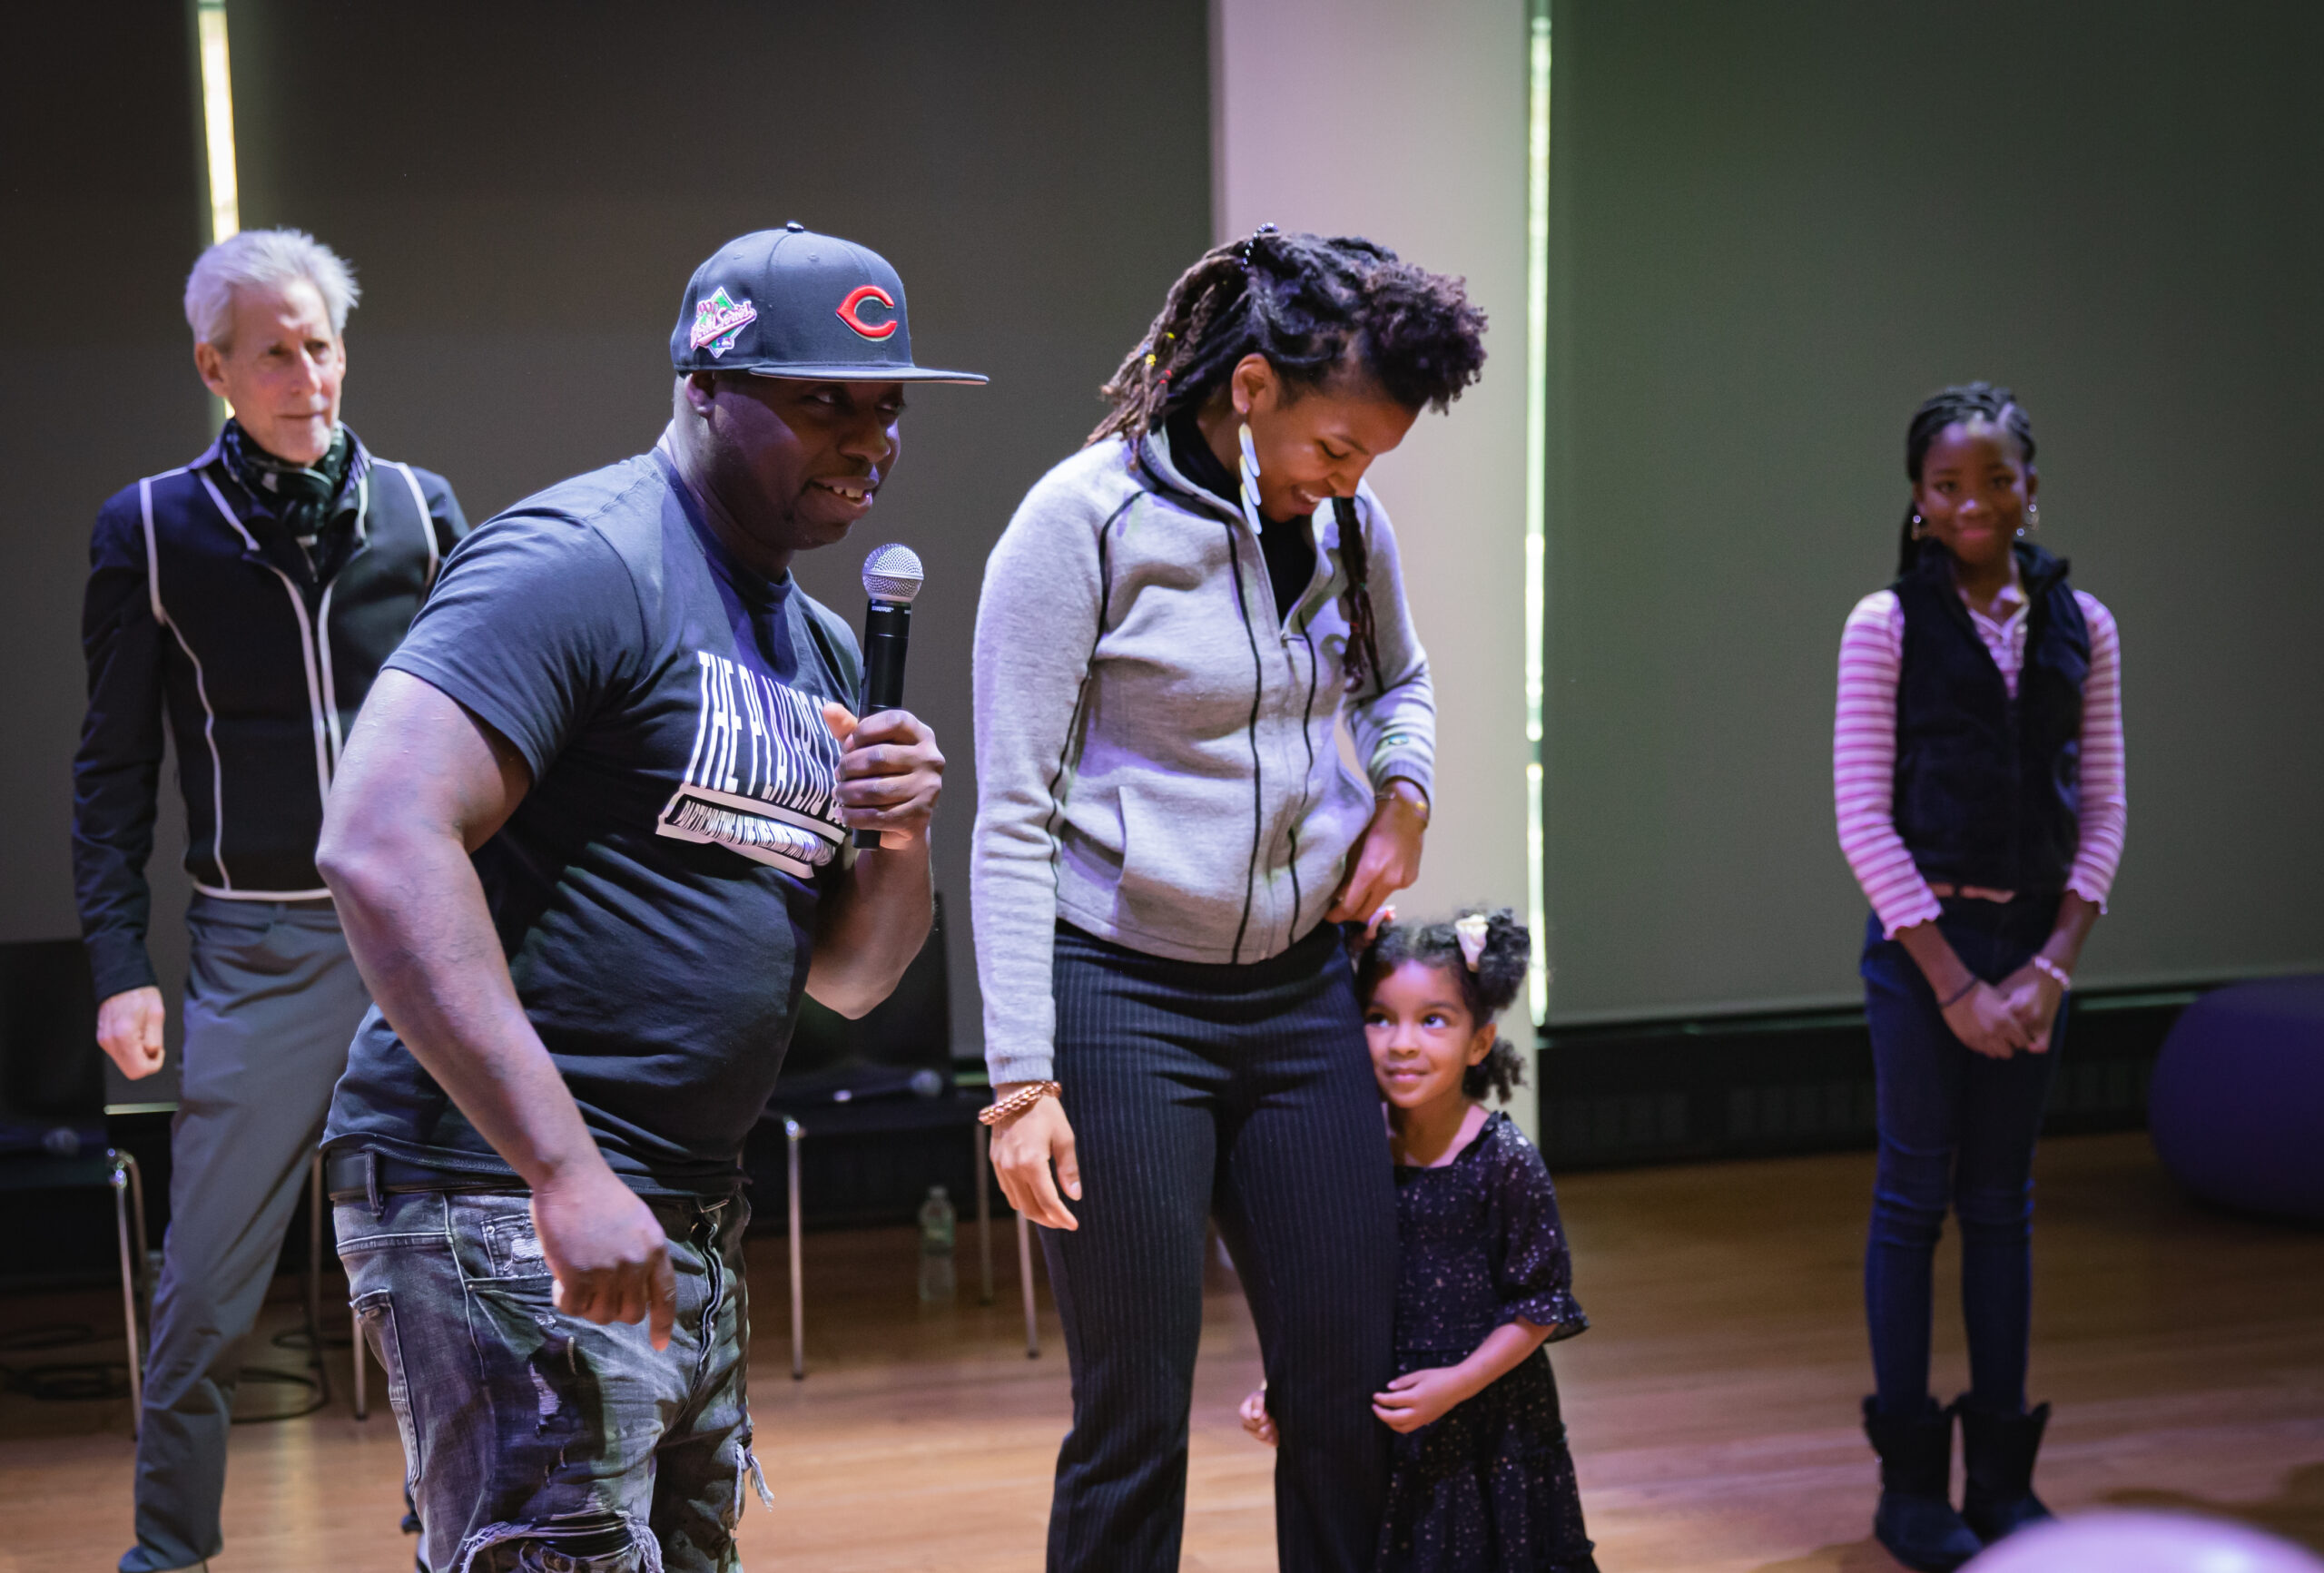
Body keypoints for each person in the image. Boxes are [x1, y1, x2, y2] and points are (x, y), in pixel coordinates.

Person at [314, 225, 977, 1573]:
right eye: (823, 401)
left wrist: (901, 836)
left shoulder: (817, 647)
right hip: (503, 1193)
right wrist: (563, 1170)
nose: (869, 439)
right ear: (703, 385)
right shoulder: (582, 559)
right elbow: (379, 842)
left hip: (684, 1210)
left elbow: (851, 977)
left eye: (886, 405)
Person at [973, 226, 1487, 1572]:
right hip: (1121, 996)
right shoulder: (1079, 522)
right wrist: (1021, 1083)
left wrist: (1405, 794)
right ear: (1251, 387)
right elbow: (1012, 814)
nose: (1351, 479)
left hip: (1299, 995)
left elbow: (1402, 682)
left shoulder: (1347, 524)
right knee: (1134, 1415)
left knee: (1349, 1391)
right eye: (1337, 445)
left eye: (1373, 458)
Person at [74, 227, 467, 1573]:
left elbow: (496, 728)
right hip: (259, 951)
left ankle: (467, 1529)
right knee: (202, 1289)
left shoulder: (421, 510)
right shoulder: (151, 529)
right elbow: (112, 769)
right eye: (276, 354)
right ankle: (167, 1553)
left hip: (420, 938)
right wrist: (121, 964)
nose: (308, 376)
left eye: (322, 346)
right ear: (215, 367)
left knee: (451, 1267)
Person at [1833, 384, 2127, 1572]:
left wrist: (2052, 964)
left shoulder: (2083, 622)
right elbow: (1862, 818)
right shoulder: (1884, 624)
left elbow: (2103, 806)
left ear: (2029, 488)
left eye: (1996, 479)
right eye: (1947, 484)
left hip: (2033, 953)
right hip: (1924, 955)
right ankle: (1911, 1489)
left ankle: (2002, 1479)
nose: (1973, 502)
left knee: (2003, 1203)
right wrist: (1956, 984)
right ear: (1918, 499)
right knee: (1914, 1201)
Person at [1241, 909, 1597, 1573]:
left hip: (1486, 1426)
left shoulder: (1505, 1161)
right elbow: (1330, 1294)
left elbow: (1539, 1306)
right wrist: (1282, 1383)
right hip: (1384, 1415)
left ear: (1479, 1041)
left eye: (1433, 1020)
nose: (1402, 1043)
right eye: (1379, 1018)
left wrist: (1456, 1384)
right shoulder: (1350, 1153)